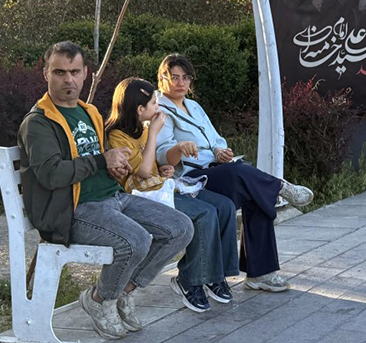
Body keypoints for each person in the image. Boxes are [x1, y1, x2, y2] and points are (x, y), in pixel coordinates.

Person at [18, 42, 194, 339]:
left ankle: (122, 291)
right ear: (45, 72)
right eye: (60, 72)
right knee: (136, 240)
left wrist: (115, 166)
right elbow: (50, 174)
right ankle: (101, 301)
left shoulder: (90, 113)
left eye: (74, 72)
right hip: (72, 210)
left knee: (180, 228)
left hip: (112, 198)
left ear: (86, 73)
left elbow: (99, 160)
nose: (68, 79)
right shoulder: (38, 123)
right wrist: (102, 160)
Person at [154, 54, 313, 293]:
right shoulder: (158, 111)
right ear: (162, 78)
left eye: (185, 78)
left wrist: (220, 151)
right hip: (190, 180)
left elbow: (215, 139)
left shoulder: (193, 106)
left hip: (215, 170)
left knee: (254, 191)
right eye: (174, 77)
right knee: (244, 176)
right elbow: (161, 152)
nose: (180, 83)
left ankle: (260, 274)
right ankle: (278, 187)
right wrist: (178, 148)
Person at [106, 78, 239, 313]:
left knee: (224, 205)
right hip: (141, 198)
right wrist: (155, 133)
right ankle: (191, 279)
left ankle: (215, 274)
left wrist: (165, 169)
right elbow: (143, 173)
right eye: (154, 104)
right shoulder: (118, 135)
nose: (158, 108)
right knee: (203, 213)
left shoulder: (142, 129)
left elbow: (153, 169)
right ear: (140, 109)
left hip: (161, 189)